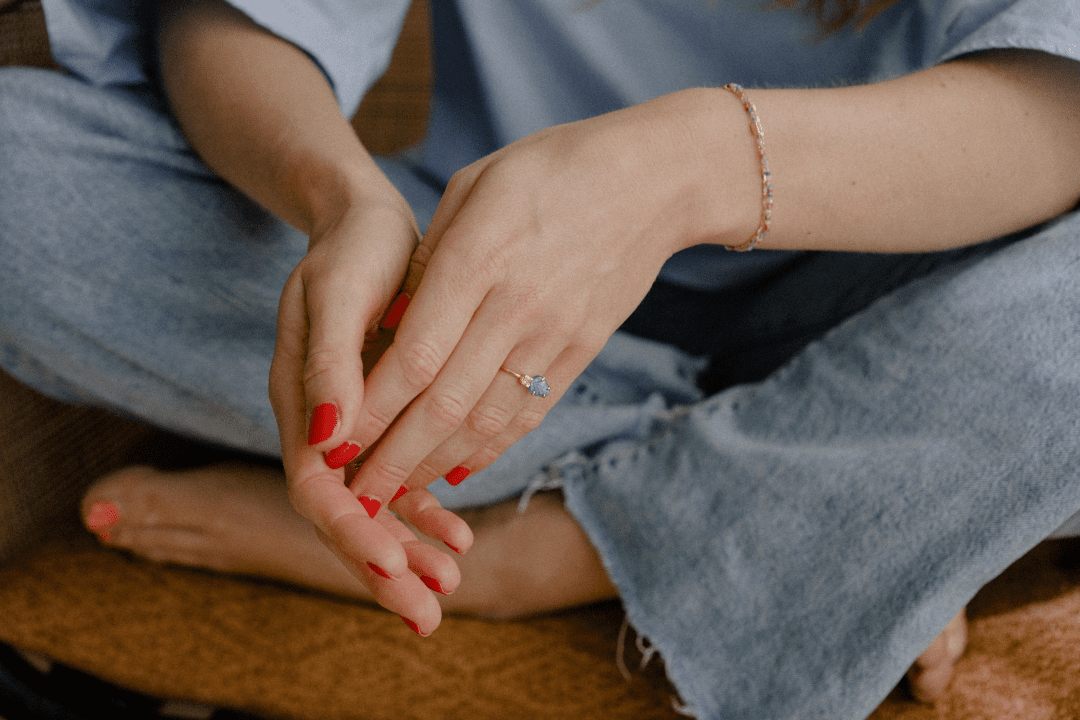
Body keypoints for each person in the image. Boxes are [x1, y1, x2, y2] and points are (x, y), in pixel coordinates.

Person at [1, 0, 1079, 717]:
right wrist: (339, 202)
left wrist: (679, 170)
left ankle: (576, 547)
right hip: (470, 275)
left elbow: (1052, 114)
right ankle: (831, 509)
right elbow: (241, 20)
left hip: (897, 290)